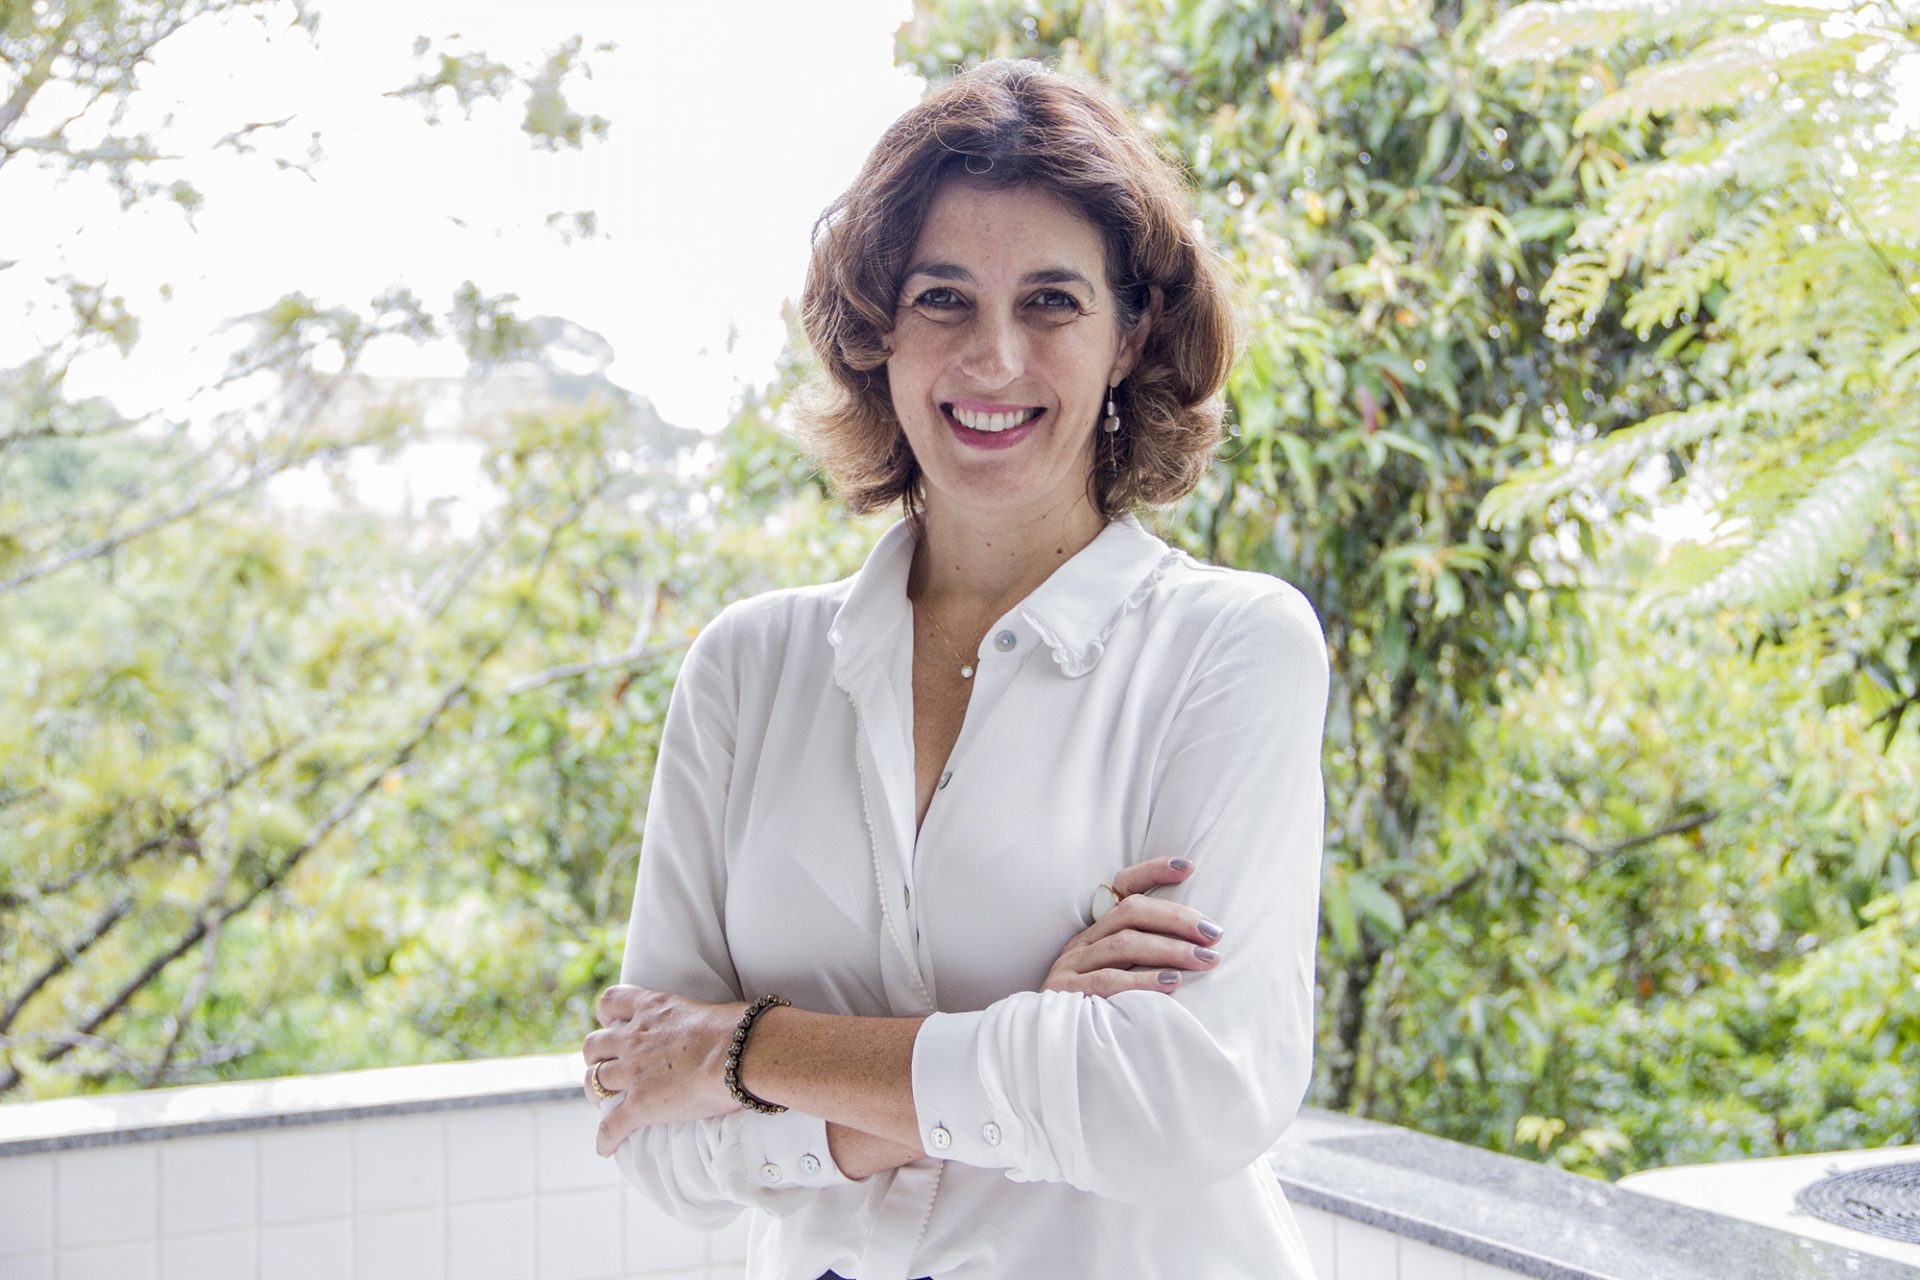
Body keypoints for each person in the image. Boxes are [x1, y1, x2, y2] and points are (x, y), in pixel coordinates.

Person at [580, 58, 1329, 1280]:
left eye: (1052, 301)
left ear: (1131, 333)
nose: (993, 356)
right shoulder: (747, 670)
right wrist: (1024, 1041)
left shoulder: (1231, 648)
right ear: (877, 330)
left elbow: (1180, 1100)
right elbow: (653, 1133)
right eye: (942, 298)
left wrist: (738, 1048)